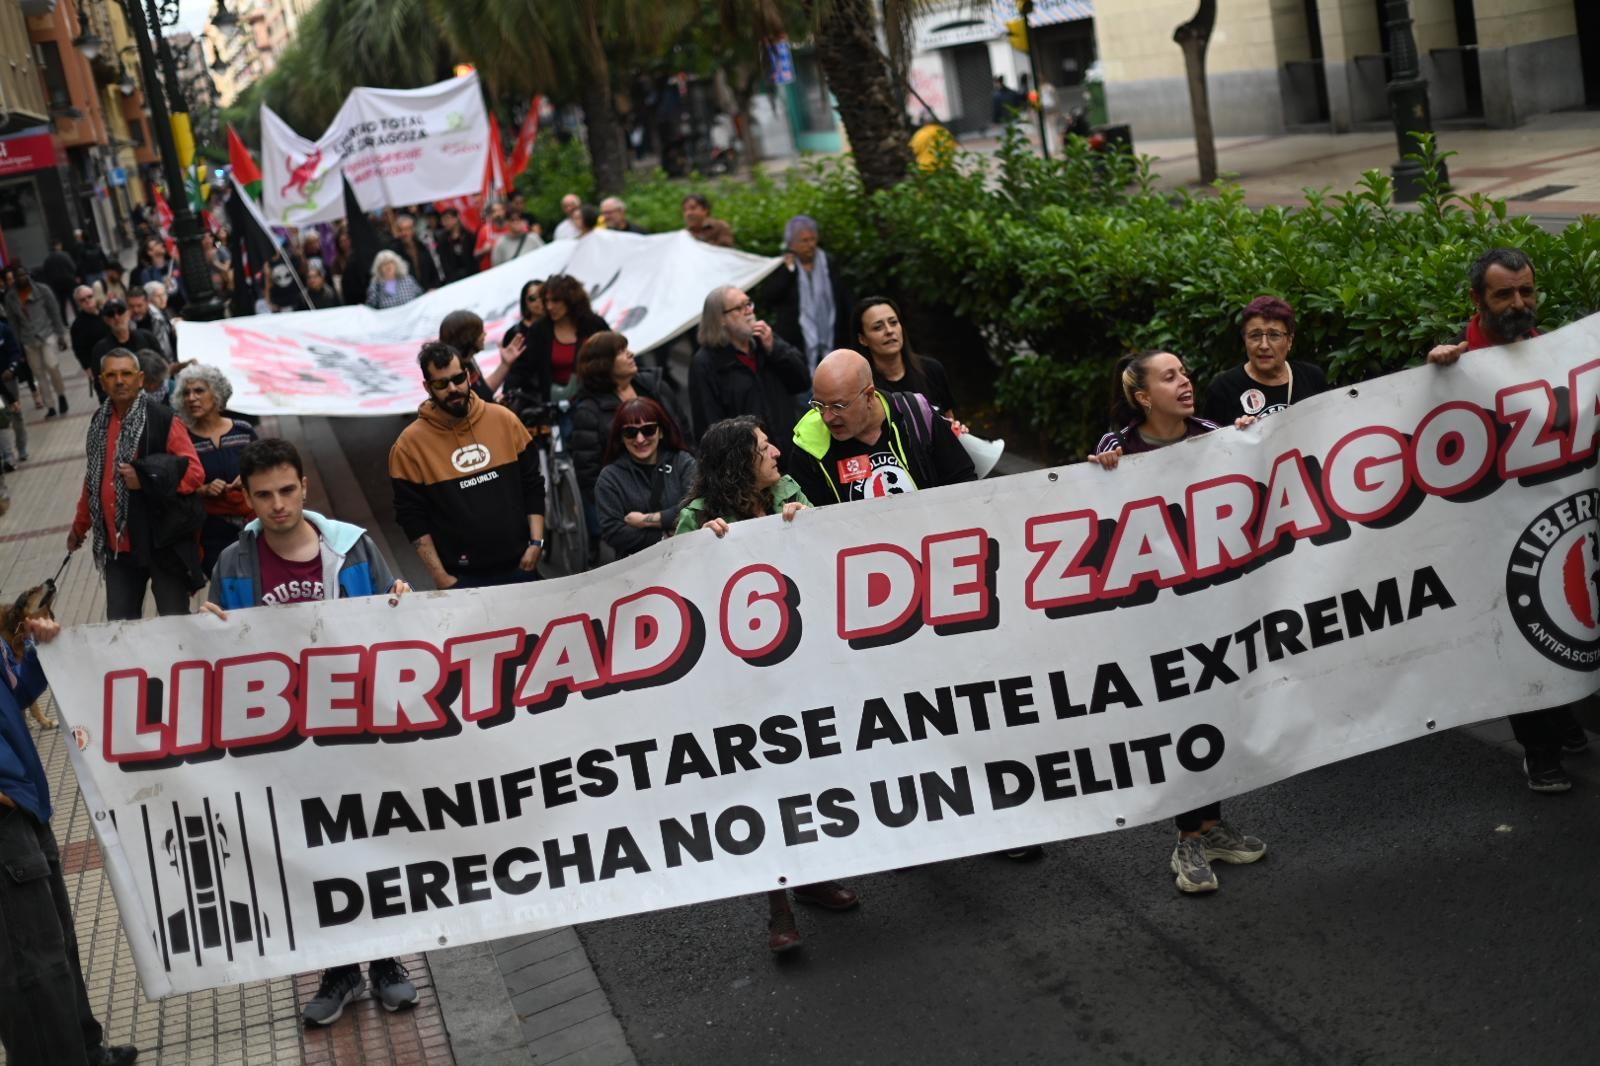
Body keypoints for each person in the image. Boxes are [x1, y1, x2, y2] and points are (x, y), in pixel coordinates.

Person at [198, 437, 415, 1026]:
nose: (277, 505)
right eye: (263, 495)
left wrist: (402, 602)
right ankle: (340, 970)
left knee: (372, 845)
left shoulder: (354, 548)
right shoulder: (233, 564)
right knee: (314, 853)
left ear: (304, 487)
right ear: (246, 497)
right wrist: (207, 627)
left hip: (358, 729)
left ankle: (387, 962)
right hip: (287, 741)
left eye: (286, 490)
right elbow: (224, 653)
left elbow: (398, 625)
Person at [1086, 350, 1266, 893]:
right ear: (1142, 397)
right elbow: (1091, 513)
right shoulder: (1118, 448)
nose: (1185, 382)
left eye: (1185, 373)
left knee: (1213, 710)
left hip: (1210, 604)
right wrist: (1100, 478)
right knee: (1179, 718)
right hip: (1153, 614)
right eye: (1170, 377)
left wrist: (1248, 441)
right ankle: (1188, 836)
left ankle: (1209, 826)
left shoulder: (1213, 432)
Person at [675, 416, 858, 952]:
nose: (777, 452)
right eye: (762, 448)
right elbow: (679, 595)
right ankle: (778, 907)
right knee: (768, 784)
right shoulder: (697, 518)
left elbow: (829, 548)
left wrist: (807, 524)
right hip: (741, 680)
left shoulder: (786, 489)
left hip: (799, 664)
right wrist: (700, 551)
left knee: (809, 775)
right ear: (738, 463)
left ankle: (813, 878)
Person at [1426, 246, 1589, 791]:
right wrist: (1438, 376)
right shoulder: (1452, 368)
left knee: (1564, 623)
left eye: (1527, 292)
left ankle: (1563, 717)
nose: (1519, 303)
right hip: (1494, 534)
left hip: (1558, 523)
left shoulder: (1557, 353)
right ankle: (1538, 752)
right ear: (1477, 300)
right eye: (1504, 294)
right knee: (1517, 638)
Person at [0, 613, 141, 1066]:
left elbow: (14, 693)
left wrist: (41, 653)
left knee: (56, 942)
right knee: (32, 968)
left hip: (25, 798)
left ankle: (85, 1049)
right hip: (8, 811)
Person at [389, 342, 546, 588]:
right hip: (461, 581)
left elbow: (533, 484)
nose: (453, 389)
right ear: (427, 387)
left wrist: (537, 543)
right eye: (441, 384)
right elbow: (412, 518)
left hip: (521, 567)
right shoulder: (409, 447)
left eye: (458, 378)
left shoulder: (504, 420)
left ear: (469, 375)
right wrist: (441, 577)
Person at [69, 348, 204, 620]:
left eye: (127, 373)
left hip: (161, 542)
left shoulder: (163, 419)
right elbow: (94, 480)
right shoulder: (98, 422)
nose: (120, 380)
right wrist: (79, 526)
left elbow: (195, 474)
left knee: (175, 622)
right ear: (101, 381)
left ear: (140, 378)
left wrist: (145, 480)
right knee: (120, 628)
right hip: (118, 546)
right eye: (112, 375)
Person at [790, 348, 975, 505]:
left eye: (839, 406)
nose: (828, 417)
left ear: (869, 395)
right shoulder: (809, 442)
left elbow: (964, 483)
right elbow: (810, 526)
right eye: (819, 405)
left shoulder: (916, 414)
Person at [568, 331, 686, 549]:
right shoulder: (589, 410)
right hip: (630, 510)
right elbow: (588, 471)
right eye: (621, 352)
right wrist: (614, 508)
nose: (631, 354)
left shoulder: (655, 386)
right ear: (603, 364)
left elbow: (682, 432)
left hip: (673, 487)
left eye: (649, 429)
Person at [688, 285, 808, 446]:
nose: (749, 311)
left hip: (787, 451)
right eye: (739, 307)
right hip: (747, 459)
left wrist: (775, 349)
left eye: (748, 304)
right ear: (720, 319)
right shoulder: (705, 363)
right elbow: (709, 426)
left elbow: (803, 381)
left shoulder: (767, 342)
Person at [176, 363, 257, 580]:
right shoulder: (183, 440)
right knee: (228, 587)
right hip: (211, 532)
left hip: (253, 527)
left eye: (199, 390)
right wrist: (203, 489)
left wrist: (250, 479)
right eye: (186, 393)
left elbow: (265, 471)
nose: (192, 398)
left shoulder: (243, 430)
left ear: (217, 393)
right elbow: (178, 487)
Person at [595, 397, 696, 558]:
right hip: (634, 568)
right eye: (631, 432)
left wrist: (644, 521)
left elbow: (695, 508)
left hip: (684, 559)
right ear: (621, 437)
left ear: (661, 431)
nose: (640, 439)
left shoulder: (682, 462)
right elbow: (613, 532)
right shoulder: (609, 478)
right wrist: (665, 536)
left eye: (648, 430)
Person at [1204, 296, 1326, 424]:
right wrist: (1236, 434)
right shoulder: (1223, 388)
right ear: (1244, 339)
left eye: (1274, 335)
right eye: (1255, 336)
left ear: (1289, 341)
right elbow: (1211, 442)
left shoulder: (1312, 378)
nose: (1264, 346)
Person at [765, 216, 852, 371]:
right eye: (804, 241)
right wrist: (788, 271)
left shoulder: (828, 263)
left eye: (813, 239)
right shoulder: (785, 267)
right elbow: (771, 296)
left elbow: (843, 297)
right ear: (792, 244)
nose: (810, 245)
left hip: (831, 338)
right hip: (798, 341)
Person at [504, 274, 609, 403]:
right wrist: (507, 393)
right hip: (560, 405)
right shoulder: (540, 330)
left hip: (599, 398)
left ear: (571, 300)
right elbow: (522, 368)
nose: (549, 306)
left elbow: (615, 351)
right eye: (546, 301)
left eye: (555, 300)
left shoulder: (593, 323)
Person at [853, 296, 956, 416]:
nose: (889, 331)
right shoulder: (861, 387)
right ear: (862, 339)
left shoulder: (932, 369)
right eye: (878, 327)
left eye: (893, 322)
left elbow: (950, 422)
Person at [5, 268, 69, 418]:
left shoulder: (42, 290)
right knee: (38, 374)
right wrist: (17, 344)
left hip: (46, 334)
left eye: (23, 275)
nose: (21, 278)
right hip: (28, 339)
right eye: (18, 276)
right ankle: (50, 406)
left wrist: (61, 335)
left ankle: (61, 395)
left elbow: (54, 312)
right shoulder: (11, 297)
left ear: (28, 275)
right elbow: (13, 322)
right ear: (14, 278)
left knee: (52, 366)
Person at [438, 308, 516, 401]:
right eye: (480, 332)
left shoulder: (468, 359)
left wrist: (505, 364)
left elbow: (483, 392)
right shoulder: (454, 370)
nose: (485, 334)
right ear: (468, 337)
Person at [91, 300, 159, 374]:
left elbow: (162, 364)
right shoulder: (100, 349)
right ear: (106, 320)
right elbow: (99, 381)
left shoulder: (147, 337)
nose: (116, 317)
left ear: (129, 314)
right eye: (111, 314)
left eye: (120, 311)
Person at [69, 286, 111, 391]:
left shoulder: (107, 313)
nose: (87, 301)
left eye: (89, 296)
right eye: (83, 300)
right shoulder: (77, 325)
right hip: (99, 367)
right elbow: (78, 349)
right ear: (78, 304)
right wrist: (87, 368)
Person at [386, 213, 441, 291]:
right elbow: (390, 283)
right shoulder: (393, 252)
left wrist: (434, 287)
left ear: (413, 229)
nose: (405, 233)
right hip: (408, 295)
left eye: (408, 229)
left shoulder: (422, 247)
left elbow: (433, 272)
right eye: (401, 230)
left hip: (429, 292)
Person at [131, 237, 182, 311]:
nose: (161, 245)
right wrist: (163, 287)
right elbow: (150, 295)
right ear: (150, 252)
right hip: (168, 311)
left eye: (160, 243)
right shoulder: (147, 273)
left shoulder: (174, 264)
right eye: (156, 244)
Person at [434, 207, 479, 284]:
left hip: (472, 276)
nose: (445, 223)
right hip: (454, 280)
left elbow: (475, 257)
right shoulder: (442, 240)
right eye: (443, 220)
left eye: (447, 219)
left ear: (456, 218)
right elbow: (444, 263)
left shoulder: (469, 235)